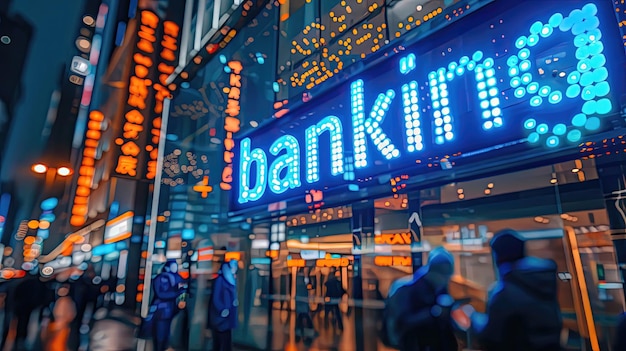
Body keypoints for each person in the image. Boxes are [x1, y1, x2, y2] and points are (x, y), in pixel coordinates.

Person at [465, 229, 562, 351]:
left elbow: (490, 336)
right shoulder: (542, 282)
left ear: (498, 257)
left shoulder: (505, 292)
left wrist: (473, 317)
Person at [383, 246, 457, 351]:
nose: (445, 281)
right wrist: (432, 313)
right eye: (444, 276)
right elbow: (404, 322)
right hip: (415, 344)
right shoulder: (408, 290)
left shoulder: (438, 289)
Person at [149, 259, 185, 351]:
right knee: (160, 335)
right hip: (161, 311)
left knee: (165, 335)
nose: (175, 268)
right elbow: (161, 294)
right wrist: (176, 293)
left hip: (170, 310)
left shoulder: (176, 277)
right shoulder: (161, 278)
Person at [209, 259, 239, 351]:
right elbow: (216, 297)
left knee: (226, 337)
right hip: (222, 315)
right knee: (220, 338)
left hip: (228, 315)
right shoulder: (221, 280)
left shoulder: (231, 279)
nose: (235, 268)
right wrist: (222, 310)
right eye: (233, 266)